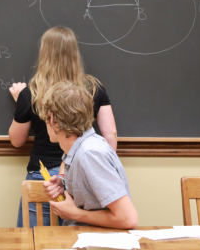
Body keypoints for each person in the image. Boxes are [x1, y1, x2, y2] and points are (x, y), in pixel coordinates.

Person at [8, 26, 117, 227]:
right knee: (79, 238)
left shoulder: (31, 93)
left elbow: (16, 140)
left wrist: (21, 102)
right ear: (75, 53)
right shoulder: (93, 89)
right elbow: (110, 134)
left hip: (45, 178)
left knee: (34, 240)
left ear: (44, 54)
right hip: (81, 174)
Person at [40, 82, 137, 229]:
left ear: (52, 119)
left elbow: (128, 219)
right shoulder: (78, 148)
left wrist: (75, 214)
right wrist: (63, 183)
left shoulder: (90, 154)